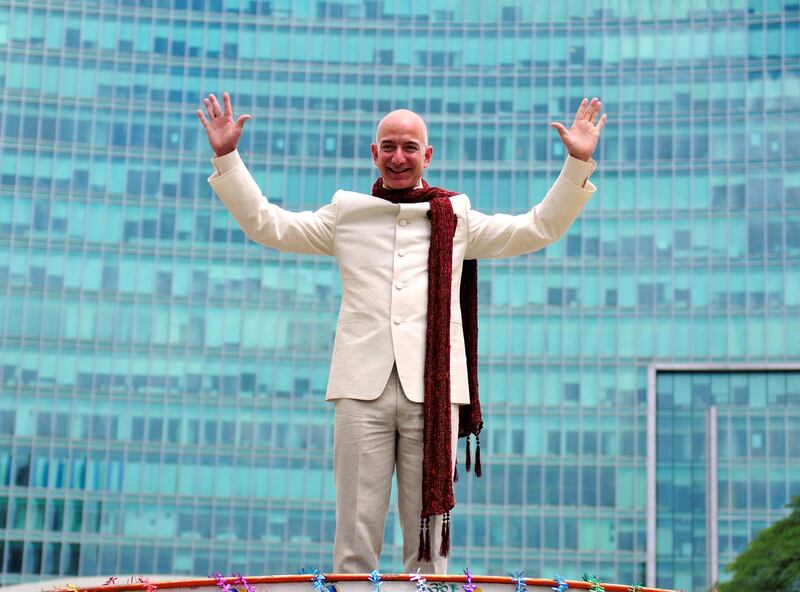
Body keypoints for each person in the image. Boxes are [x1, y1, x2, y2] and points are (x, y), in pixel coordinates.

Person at [197, 94, 606, 574]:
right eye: (388, 146)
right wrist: (227, 156)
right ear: (374, 153)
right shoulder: (346, 214)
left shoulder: (457, 217)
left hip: (432, 394)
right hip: (360, 388)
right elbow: (268, 224)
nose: (398, 157)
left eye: (410, 147)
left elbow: (538, 228)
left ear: (427, 156)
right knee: (353, 544)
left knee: (429, 551)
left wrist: (578, 161)